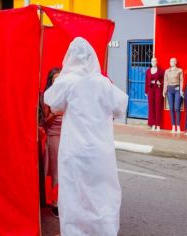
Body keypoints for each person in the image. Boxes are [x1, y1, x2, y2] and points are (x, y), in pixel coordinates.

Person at [44, 37, 128, 236]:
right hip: (100, 151)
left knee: (74, 193)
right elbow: (120, 107)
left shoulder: (67, 82)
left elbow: (52, 101)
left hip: (74, 150)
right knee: (101, 193)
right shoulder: (103, 83)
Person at [42, 68, 62, 218]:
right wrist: (55, 113)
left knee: (67, 170)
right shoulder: (47, 97)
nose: (58, 81)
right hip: (54, 135)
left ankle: (63, 200)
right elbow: (45, 122)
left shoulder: (66, 94)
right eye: (55, 79)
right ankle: (54, 202)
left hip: (68, 135)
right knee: (56, 170)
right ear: (51, 81)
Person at [163, 57, 183, 133]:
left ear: (175, 62)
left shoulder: (179, 70)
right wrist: (164, 91)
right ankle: (173, 126)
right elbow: (165, 81)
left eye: (172, 61)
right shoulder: (167, 71)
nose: (171, 62)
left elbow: (181, 81)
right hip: (169, 89)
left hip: (177, 89)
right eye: (170, 61)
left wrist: (181, 90)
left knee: (177, 108)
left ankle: (178, 126)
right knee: (171, 108)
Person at [145, 58, 164, 131]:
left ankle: (158, 124)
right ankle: (152, 124)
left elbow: (164, 79)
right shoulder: (148, 71)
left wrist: (161, 83)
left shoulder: (160, 70)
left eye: (154, 61)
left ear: (157, 62)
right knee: (151, 106)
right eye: (152, 61)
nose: (153, 62)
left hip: (158, 89)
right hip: (150, 89)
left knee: (158, 106)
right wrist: (146, 91)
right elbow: (146, 81)